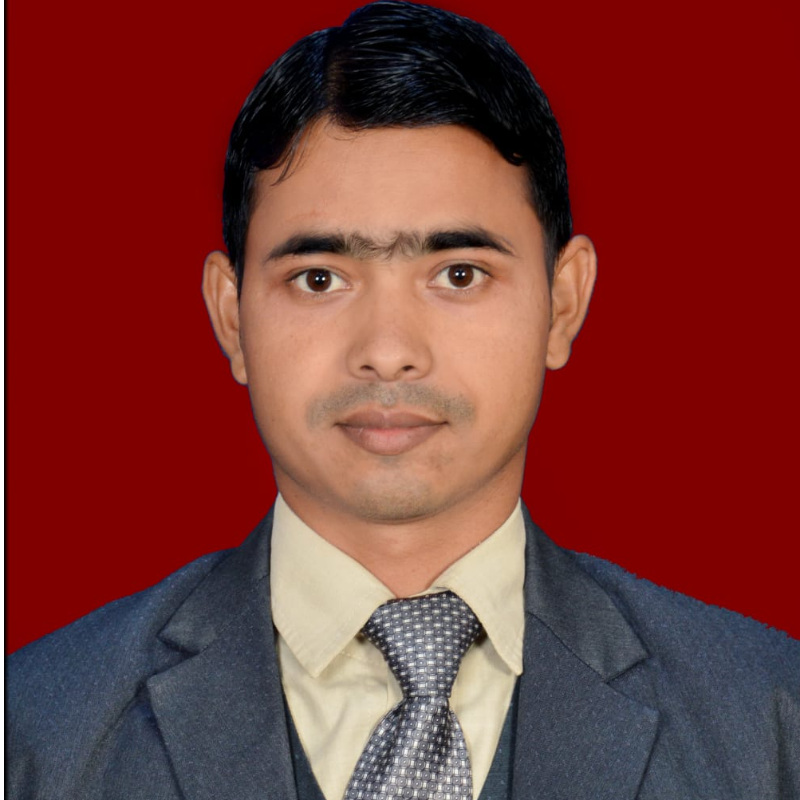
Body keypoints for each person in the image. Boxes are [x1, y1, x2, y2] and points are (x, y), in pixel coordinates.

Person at [8, 2, 799, 798]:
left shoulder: (770, 723)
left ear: (563, 304)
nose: (387, 350)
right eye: (319, 279)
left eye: (458, 274)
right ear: (231, 315)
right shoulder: (37, 731)